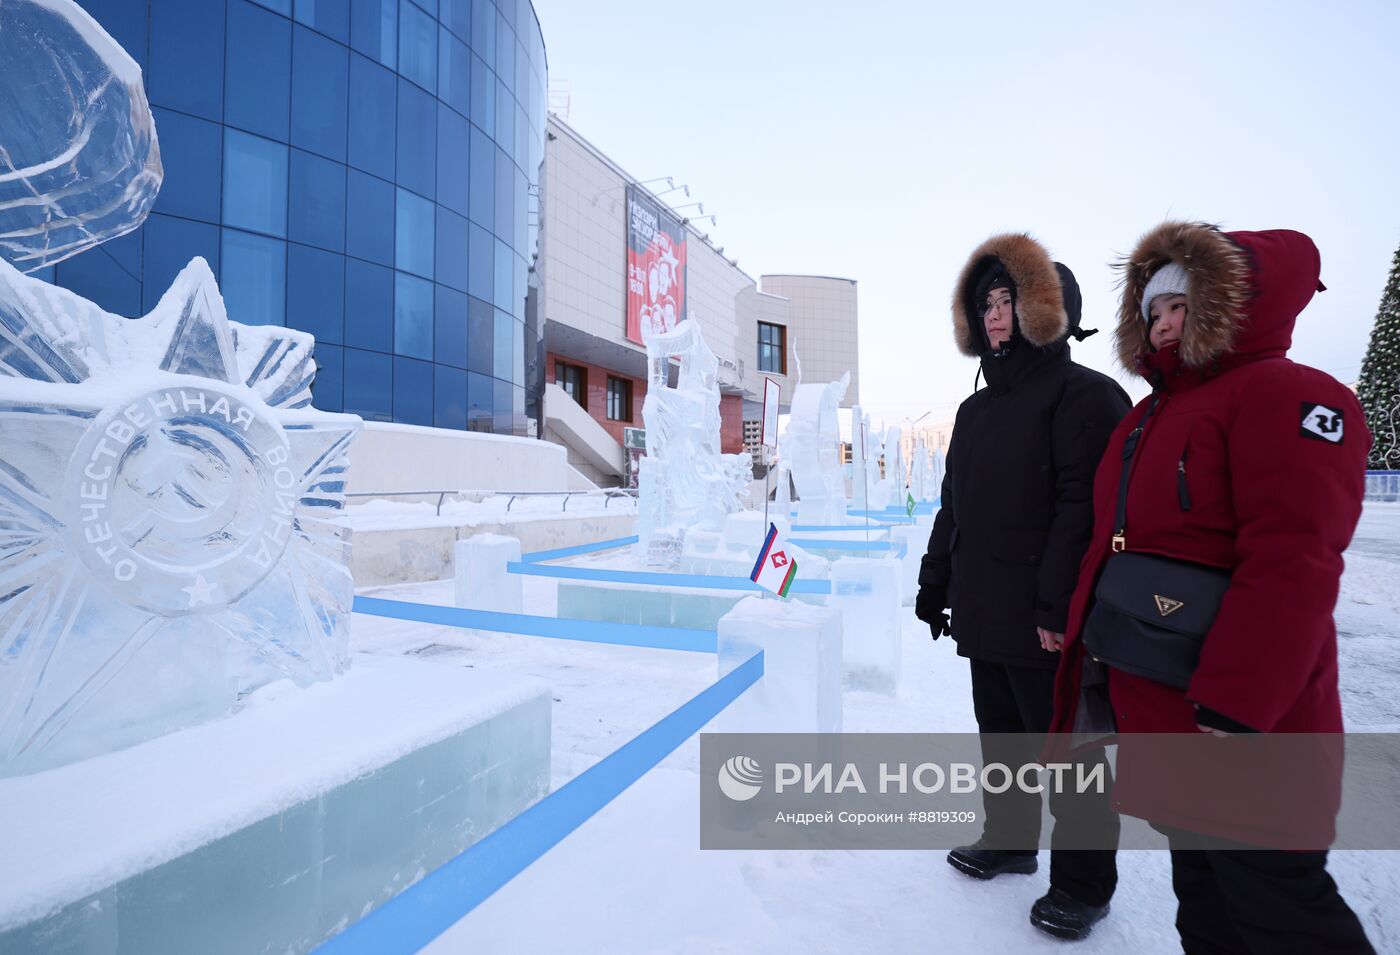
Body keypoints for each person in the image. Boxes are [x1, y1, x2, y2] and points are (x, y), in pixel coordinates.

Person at [1048, 221, 1375, 953]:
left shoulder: (1289, 395)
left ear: (1231, 302)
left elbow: (1295, 560)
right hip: (1167, 710)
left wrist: (1235, 700)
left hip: (1244, 724)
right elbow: (1111, 548)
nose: (1162, 322)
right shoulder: (1149, 415)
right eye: (1153, 308)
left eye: (1180, 304)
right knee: (1202, 899)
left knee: (1280, 906)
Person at [915, 233, 1131, 941]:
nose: (995, 315)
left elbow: (1083, 508)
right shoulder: (976, 412)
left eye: (1007, 300)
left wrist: (1056, 606)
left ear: (1048, 309)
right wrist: (934, 580)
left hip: (1051, 621)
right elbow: (956, 505)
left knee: (1072, 753)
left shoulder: (1085, 395)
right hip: (985, 611)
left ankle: (1084, 883)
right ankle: (1009, 839)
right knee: (1002, 739)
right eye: (985, 303)